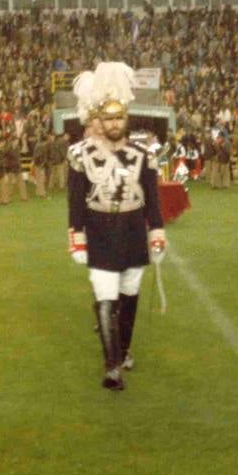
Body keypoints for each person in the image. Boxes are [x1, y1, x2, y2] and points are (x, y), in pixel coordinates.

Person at [68, 62, 167, 392]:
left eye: (117, 118)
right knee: (105, 295)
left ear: (126, 119)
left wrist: (157, 230)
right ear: (100, 120)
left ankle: (122, 352)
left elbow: (152, 199)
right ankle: (111, 367)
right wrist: (77, 236)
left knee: (129, 294)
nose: (112, 124)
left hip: (131, 229)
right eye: (106, 118)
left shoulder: (143, 155)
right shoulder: (79, 155)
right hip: (99, 228)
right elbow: (75, 200)